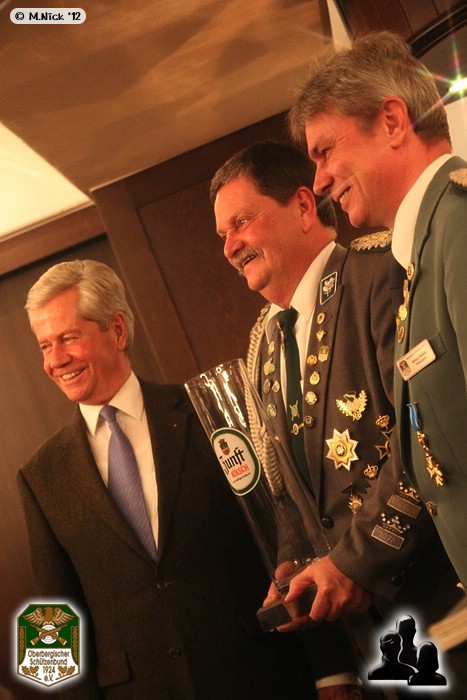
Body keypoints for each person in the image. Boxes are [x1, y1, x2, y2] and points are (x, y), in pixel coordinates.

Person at [210, 140, 467, 698]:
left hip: (449, 607)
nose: (230, 247)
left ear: (304, 206)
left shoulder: (379, 276)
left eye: (242, 222)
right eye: (223, 235)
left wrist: (352, 563)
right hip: (380, 641)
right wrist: (294, 566)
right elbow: (288, 491)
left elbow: (423, 432)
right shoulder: (264, 344)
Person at [17, 259, 323, 699]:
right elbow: (53, 615)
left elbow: (286, 540)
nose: (55, 360)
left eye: (68, 338)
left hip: (260, 677)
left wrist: (332, 669)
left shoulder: (208, 413)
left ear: (117, 330)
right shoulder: (40, 476)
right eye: (45, 346)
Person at [287, 30, 467, 592]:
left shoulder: (459, 224)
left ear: (392, 122)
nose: (319, 181)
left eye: (325, 150)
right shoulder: (421, 250)